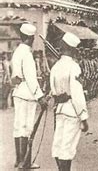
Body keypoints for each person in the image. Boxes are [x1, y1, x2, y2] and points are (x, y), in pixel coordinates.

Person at [50, 32, 89, 171]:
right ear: (73, 49)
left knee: (58, 146)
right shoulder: (74, 67)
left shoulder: (55, 66)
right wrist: (83, 117)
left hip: (59, 110)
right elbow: (77, 94)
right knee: (67, 148)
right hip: (72, 111)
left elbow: (53, 91)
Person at [11, 23, 47, 169]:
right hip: (27, 93)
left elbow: (15, 76)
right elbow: (31, 78)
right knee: (27, 128)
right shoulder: (27, 54)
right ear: (31, 38)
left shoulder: (17, 51)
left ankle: (19, 160)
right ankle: (25, 162)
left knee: (19, 126)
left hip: (19, 91)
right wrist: (40, 96)